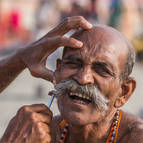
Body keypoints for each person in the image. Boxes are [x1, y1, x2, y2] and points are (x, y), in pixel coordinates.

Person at [0, 16, 143, 143]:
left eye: (102, 70)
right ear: (57, 70)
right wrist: (20, 59)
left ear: (124, 92)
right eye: (73, 63)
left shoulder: (135, 137)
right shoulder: (37, 133)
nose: (82, 78)